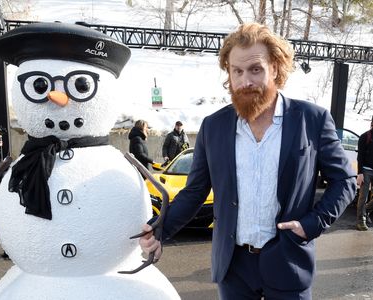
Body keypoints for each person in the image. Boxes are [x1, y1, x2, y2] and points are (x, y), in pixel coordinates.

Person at [139, 23, 356, 299]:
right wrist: (160, 230)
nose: (245, 82)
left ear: (276, 68)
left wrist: (311, 225)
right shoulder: (213, 127)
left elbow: (345, 181)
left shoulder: (311, 120)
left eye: (255, 69)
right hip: (233, 268)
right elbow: (195, 192)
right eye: (236, 71)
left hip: (289, 260)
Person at [355, 119, 373, 231]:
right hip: (365, 170)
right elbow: (360, 156)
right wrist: (360, 173)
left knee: (365, 200)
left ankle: (365, 210)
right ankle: (360, 221)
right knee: (363, 196)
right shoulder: (364, 137)